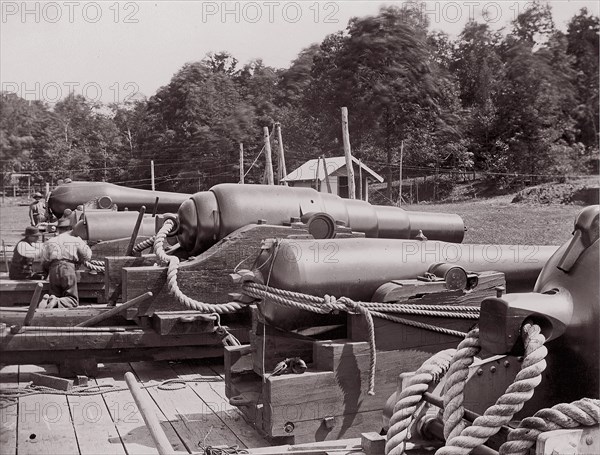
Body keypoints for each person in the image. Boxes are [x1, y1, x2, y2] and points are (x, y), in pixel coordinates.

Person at [40, 218, 92, 308]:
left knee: (55, 295)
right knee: (72, 300)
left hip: (53, 269)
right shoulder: (75, 239)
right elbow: (87, 256)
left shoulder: (51, 241)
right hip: (67, 268)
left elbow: (44, 260)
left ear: (58, 229)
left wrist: (46, 273)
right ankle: (56, 301)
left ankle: (52, 299)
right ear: (71, 228)